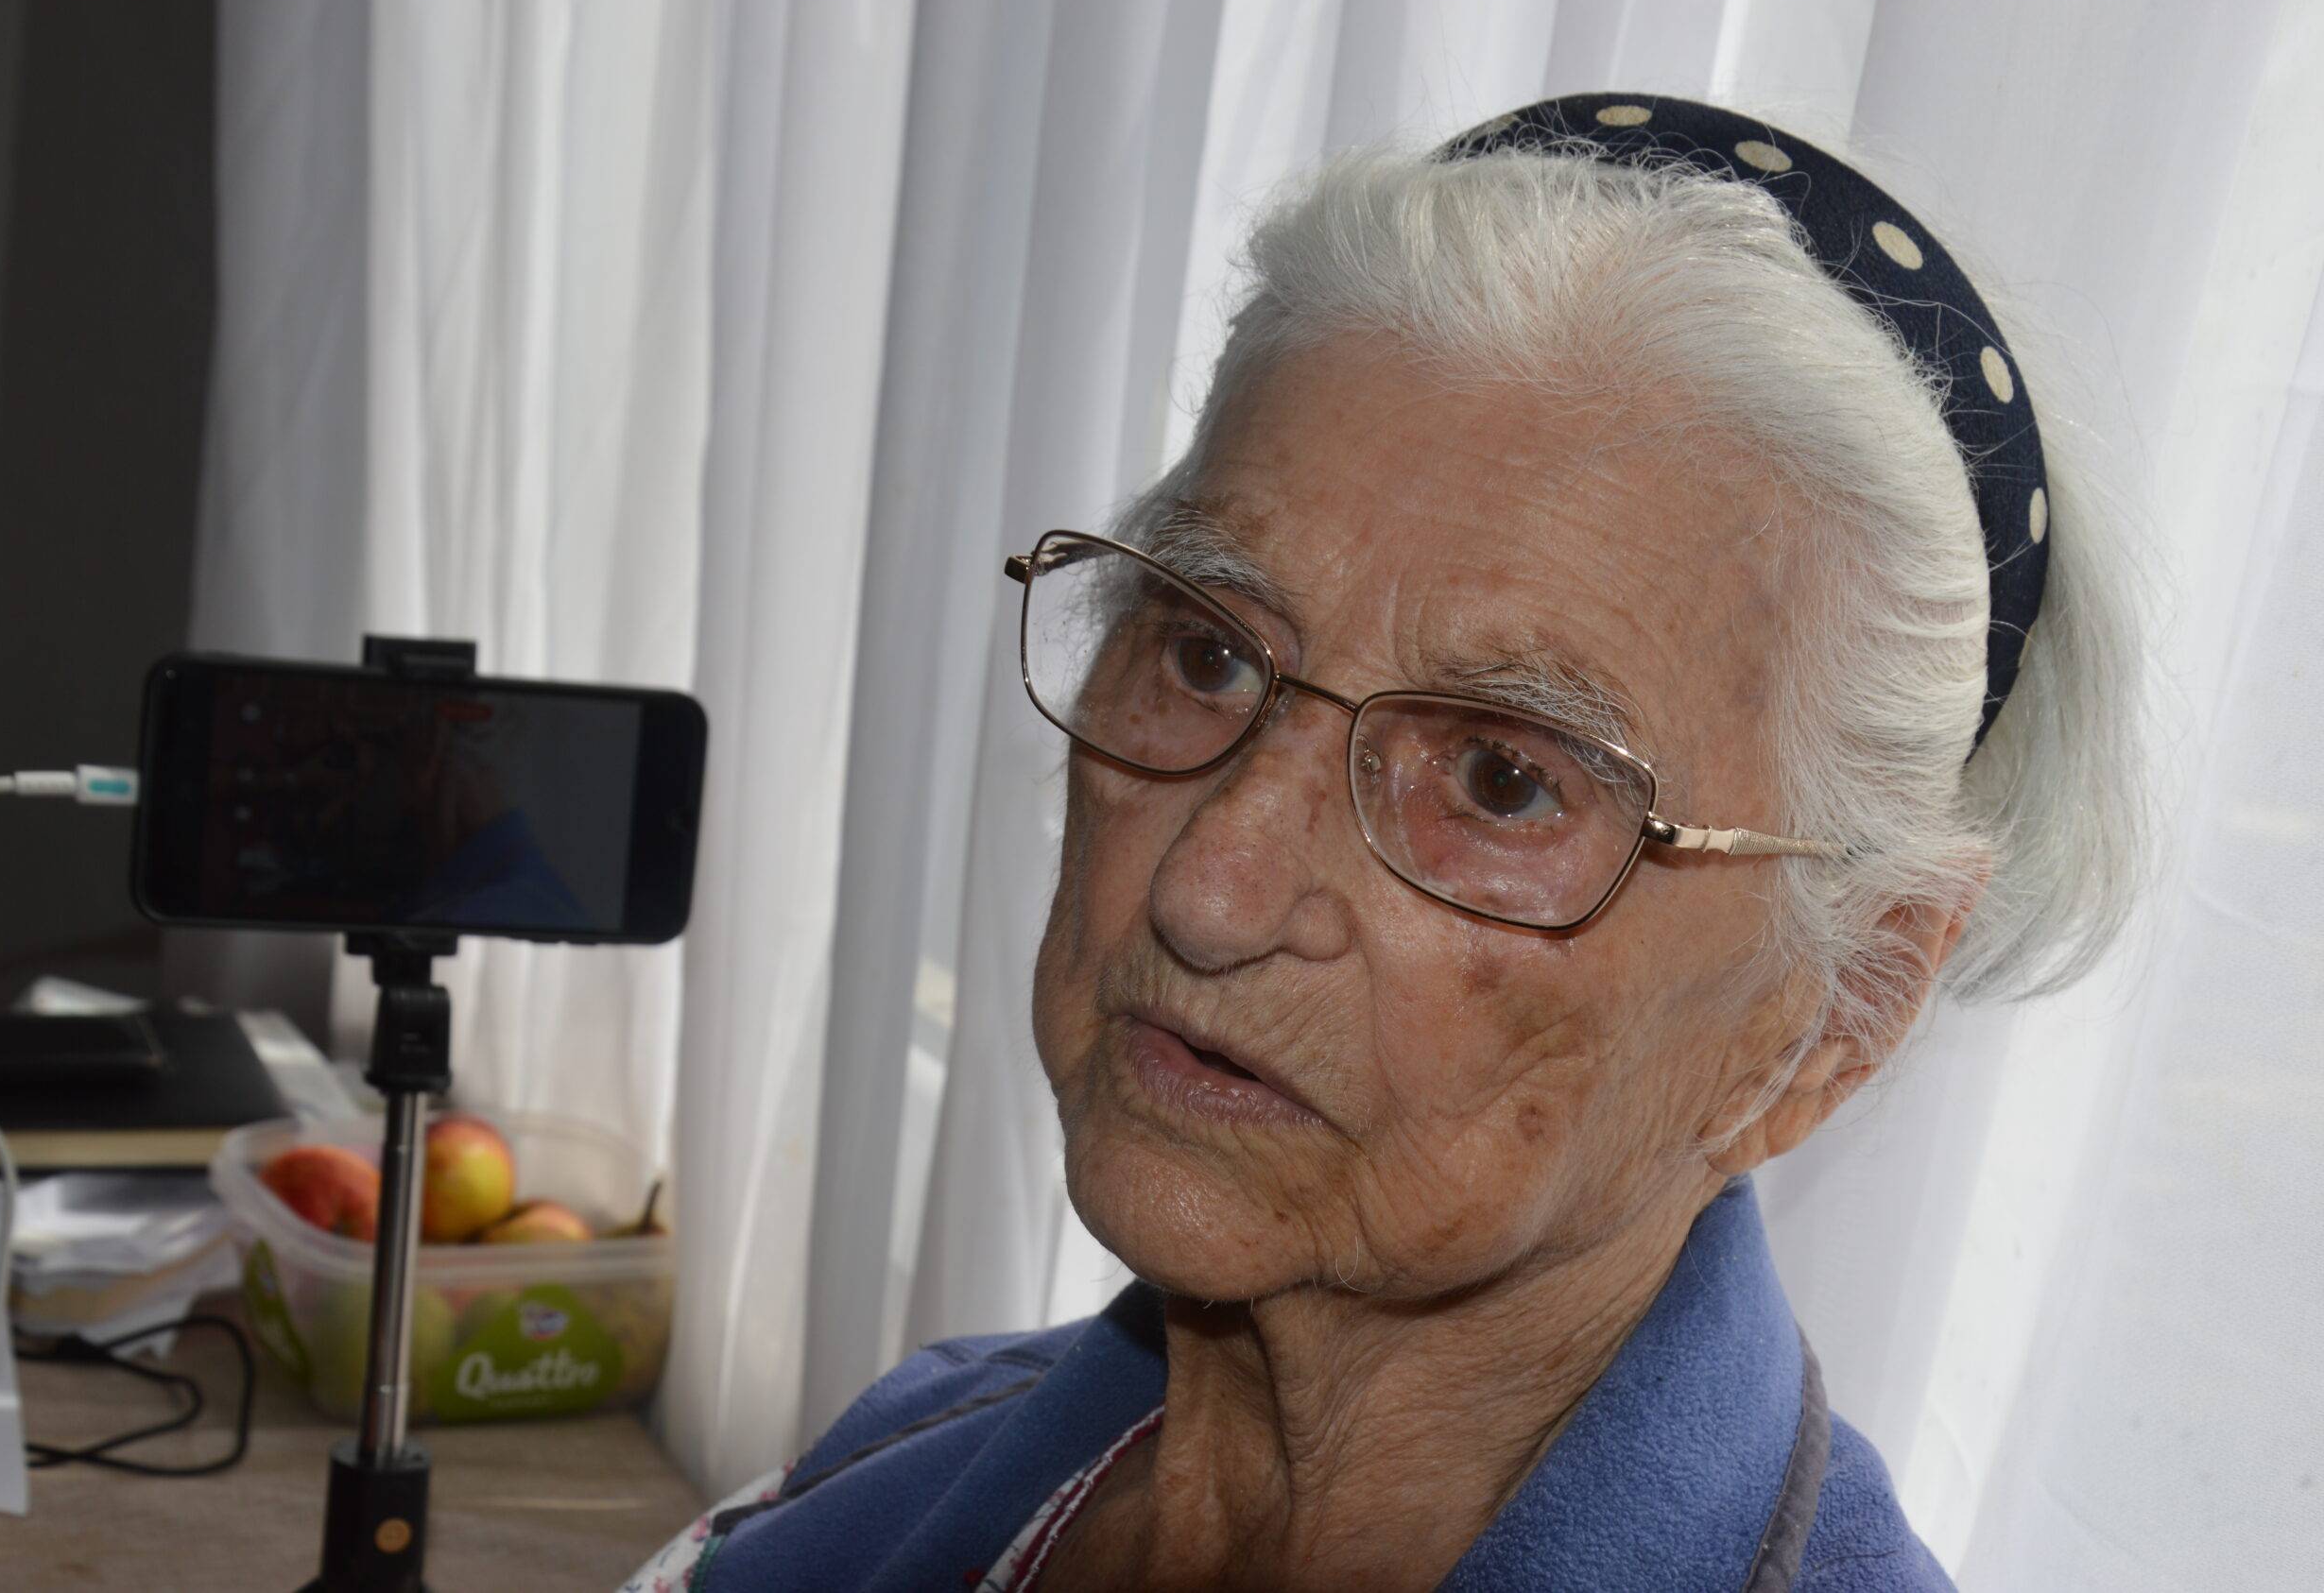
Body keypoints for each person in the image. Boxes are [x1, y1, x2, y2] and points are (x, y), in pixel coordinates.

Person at [629, 92, 2146, 1592]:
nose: (1211, 888)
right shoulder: (909, 1448)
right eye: (1207, 651)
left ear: (1835, 1012)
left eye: (1501, 778)